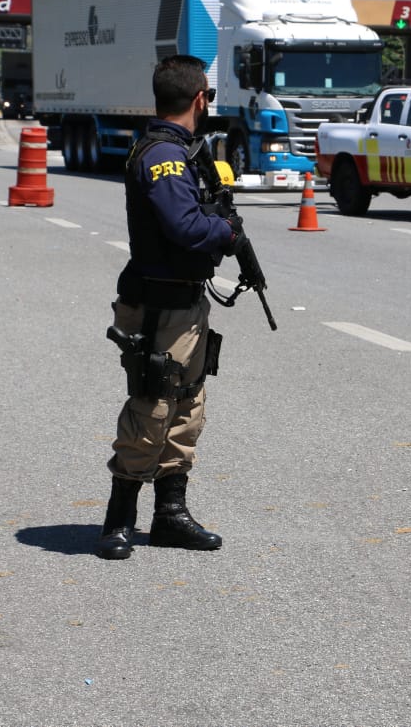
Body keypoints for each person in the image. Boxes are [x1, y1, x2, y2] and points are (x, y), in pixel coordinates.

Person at [97, 54, 244, 560]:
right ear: (200, 99)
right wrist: (225, 232)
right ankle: (119, 519)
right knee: (152, 404)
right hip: (157, 304)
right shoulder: (164, 155)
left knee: (187, 404)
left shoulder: (185, 151)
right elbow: (184, 227)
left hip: (184, 301)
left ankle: (170, 515)